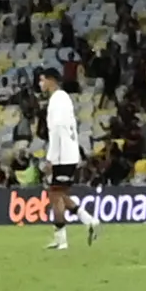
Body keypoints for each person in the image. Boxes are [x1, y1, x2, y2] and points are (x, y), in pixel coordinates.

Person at [39, 69, 97, 250]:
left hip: (63, 155)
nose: (40, 84)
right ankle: (89, 220)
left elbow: (58, 131)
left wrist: (51, 158)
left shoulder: (57, 100)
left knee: (55, 195)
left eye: (42, 80)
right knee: (58, 194)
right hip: (68, 153)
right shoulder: (63, 99)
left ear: (50, 80)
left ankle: (61, 240)